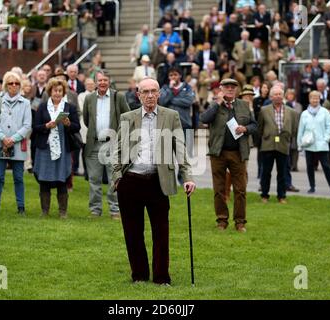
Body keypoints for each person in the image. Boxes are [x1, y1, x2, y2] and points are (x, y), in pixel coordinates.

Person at [112, 77, 196, 285]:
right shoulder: (127, 117)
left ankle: (161, 277)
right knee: (132, 232)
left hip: (158, 181)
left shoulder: (171, 116)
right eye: (145, 92)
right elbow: (117, 151)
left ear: (159, 94)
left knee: (161, 232)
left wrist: (187, 177)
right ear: (138, 95)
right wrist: (117, 178)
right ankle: (139, 275)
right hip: (130, 181)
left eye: (154, 91)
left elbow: (181, 148)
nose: (150, 95)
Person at [200, 78, 256, 231]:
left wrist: (245, 129)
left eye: (233, 87)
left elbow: (255, 125)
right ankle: (222, 220)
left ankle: (240, 222)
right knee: (219, 189)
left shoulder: (244, 105)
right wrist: (217, 104)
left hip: (238, 153)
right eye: (227, 87)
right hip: (218, 153)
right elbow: (203, 119)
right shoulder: (214, 105)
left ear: (237, 90)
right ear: (221, 88)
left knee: (240, 189)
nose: (230, 89)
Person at [83, 71, 130, 219]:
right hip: (94, 144)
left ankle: (115, 209)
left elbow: (127, 117)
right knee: (94, 179)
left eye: (105, 80)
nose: (102, 83)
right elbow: (86, 119)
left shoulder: (118, 97)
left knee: (114, 178)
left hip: (112, 144)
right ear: (95, 82)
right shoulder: (89, 98)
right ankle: (95, 210)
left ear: (109, 81)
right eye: (99, 80)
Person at [33, 78, 80, 218]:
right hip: (44, 149)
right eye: (55, 91)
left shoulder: (69, 107)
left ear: (63, 92)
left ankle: (62, 212)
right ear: (50, 91)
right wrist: (46, 126)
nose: (57, 93)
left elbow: (77, 127)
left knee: (62, 179)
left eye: (60, 91)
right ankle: (44, 211)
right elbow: (35, 127)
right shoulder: (42, 107)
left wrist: (68, 124)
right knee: (44, 179)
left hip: (62, 148)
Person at [0, 71, 32, 215]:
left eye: (17, 83)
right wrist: (3, 137)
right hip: (1, 143)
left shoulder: (26, 103)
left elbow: (27, 125)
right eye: (11, 83)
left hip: (18, 144)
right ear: (6, 85)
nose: (14, 85)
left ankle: (21, 207)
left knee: (18, 178)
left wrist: (13, 139)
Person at [258, 85, 298, 204]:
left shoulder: (291, 112)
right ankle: (264, 195)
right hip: (268, 144)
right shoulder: (264, 110)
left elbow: (294, 129)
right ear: (271, 96)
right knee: (266, 172)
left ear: (283, 95)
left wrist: (287, 138)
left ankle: (282, 196)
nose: (278, 96)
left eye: (280, 94)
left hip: (283, 145)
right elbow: (260, 128)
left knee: (282, 173)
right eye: (275, 94)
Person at [297, 91, 330, 195]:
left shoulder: (325, 112)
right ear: (309, 99)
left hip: (321, 144)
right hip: (308, 144)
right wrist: (299, 144)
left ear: (319, 99)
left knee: (326, 166)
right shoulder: (304, 114)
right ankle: (312, 187)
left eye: (317, 98)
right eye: (312, 98)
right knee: (310, 166)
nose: (315, 100)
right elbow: (300, 130)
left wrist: (326, 139)